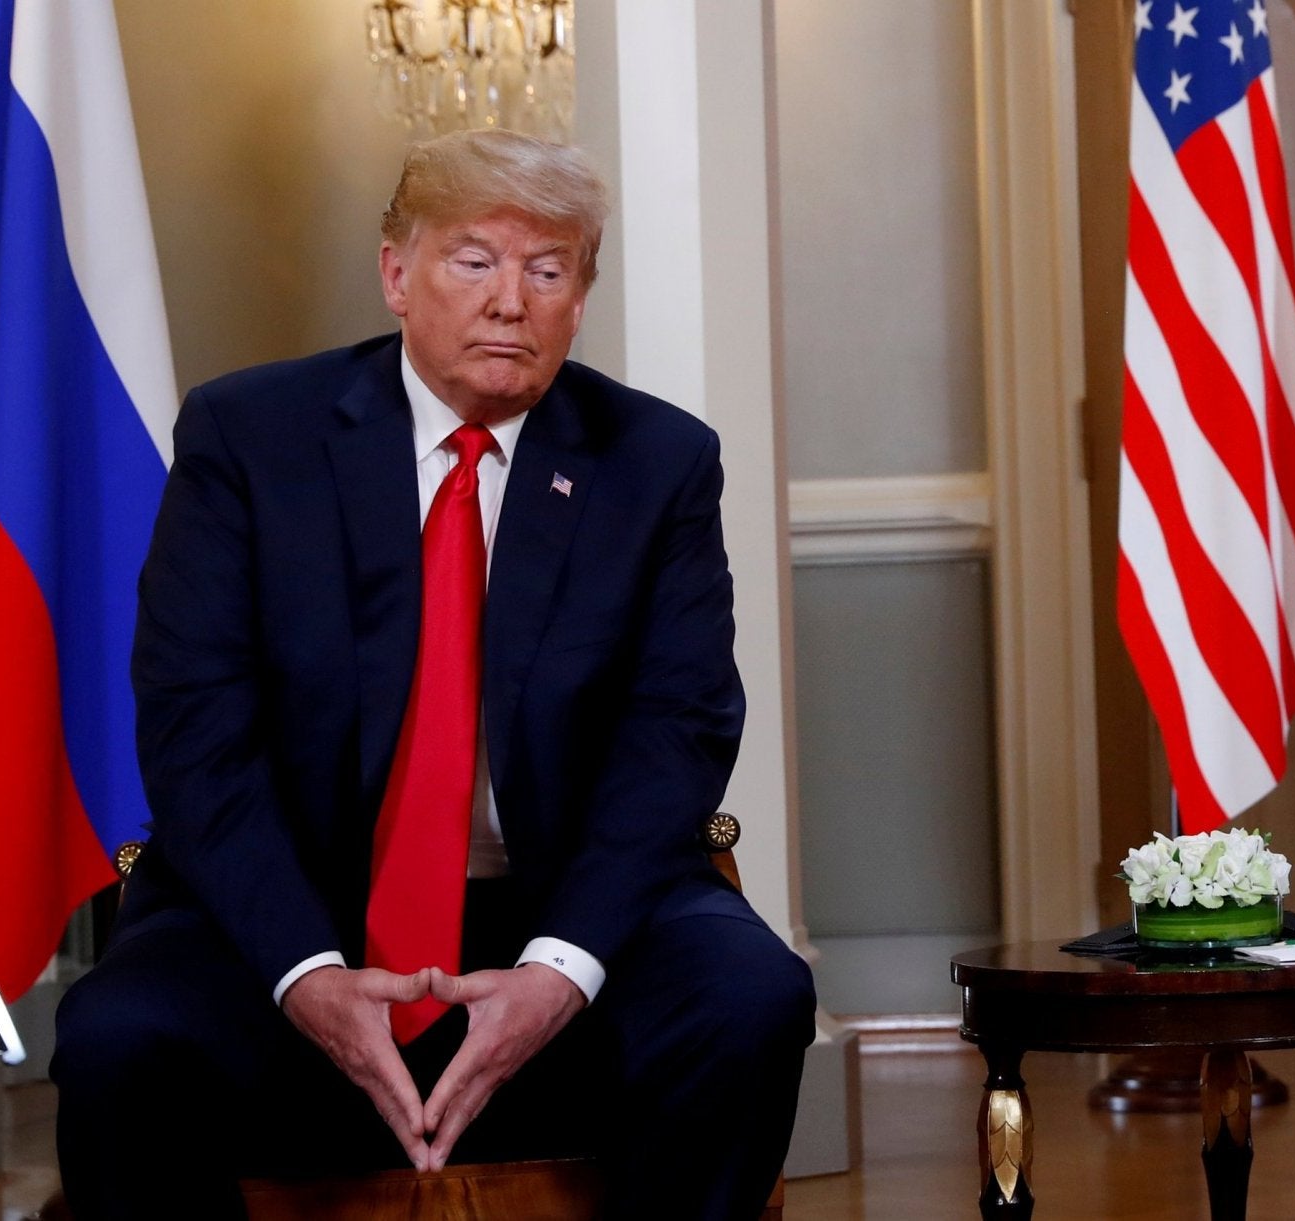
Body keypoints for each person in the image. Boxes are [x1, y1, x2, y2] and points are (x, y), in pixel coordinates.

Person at [52, 129, 814, 1219]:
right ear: (396, 274)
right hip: (295, 907)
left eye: (548, 270)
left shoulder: (658, 463)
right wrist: (307, 974)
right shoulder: (248, 437)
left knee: (750, 998)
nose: (512, 300)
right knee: (121, 1039)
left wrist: (559, 971)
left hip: (556, 901)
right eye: (474, 260)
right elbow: (195, 733)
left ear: (580, 297)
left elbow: (678, 736)